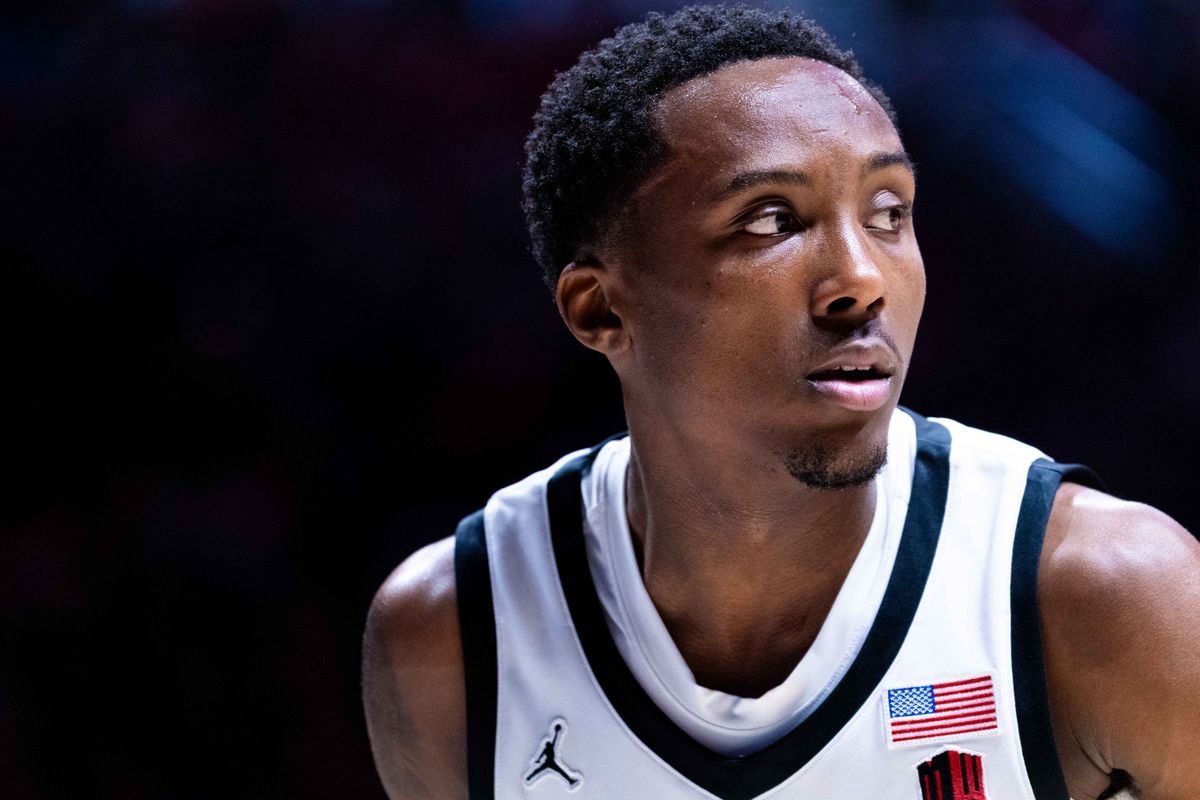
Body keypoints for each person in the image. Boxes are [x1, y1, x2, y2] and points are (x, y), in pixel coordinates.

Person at [362, 5, 1200, 798]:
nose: (861, 280)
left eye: (888, 214)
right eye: (771, 221)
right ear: (600, 310)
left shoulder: (1112, 597)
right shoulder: (451, 639)